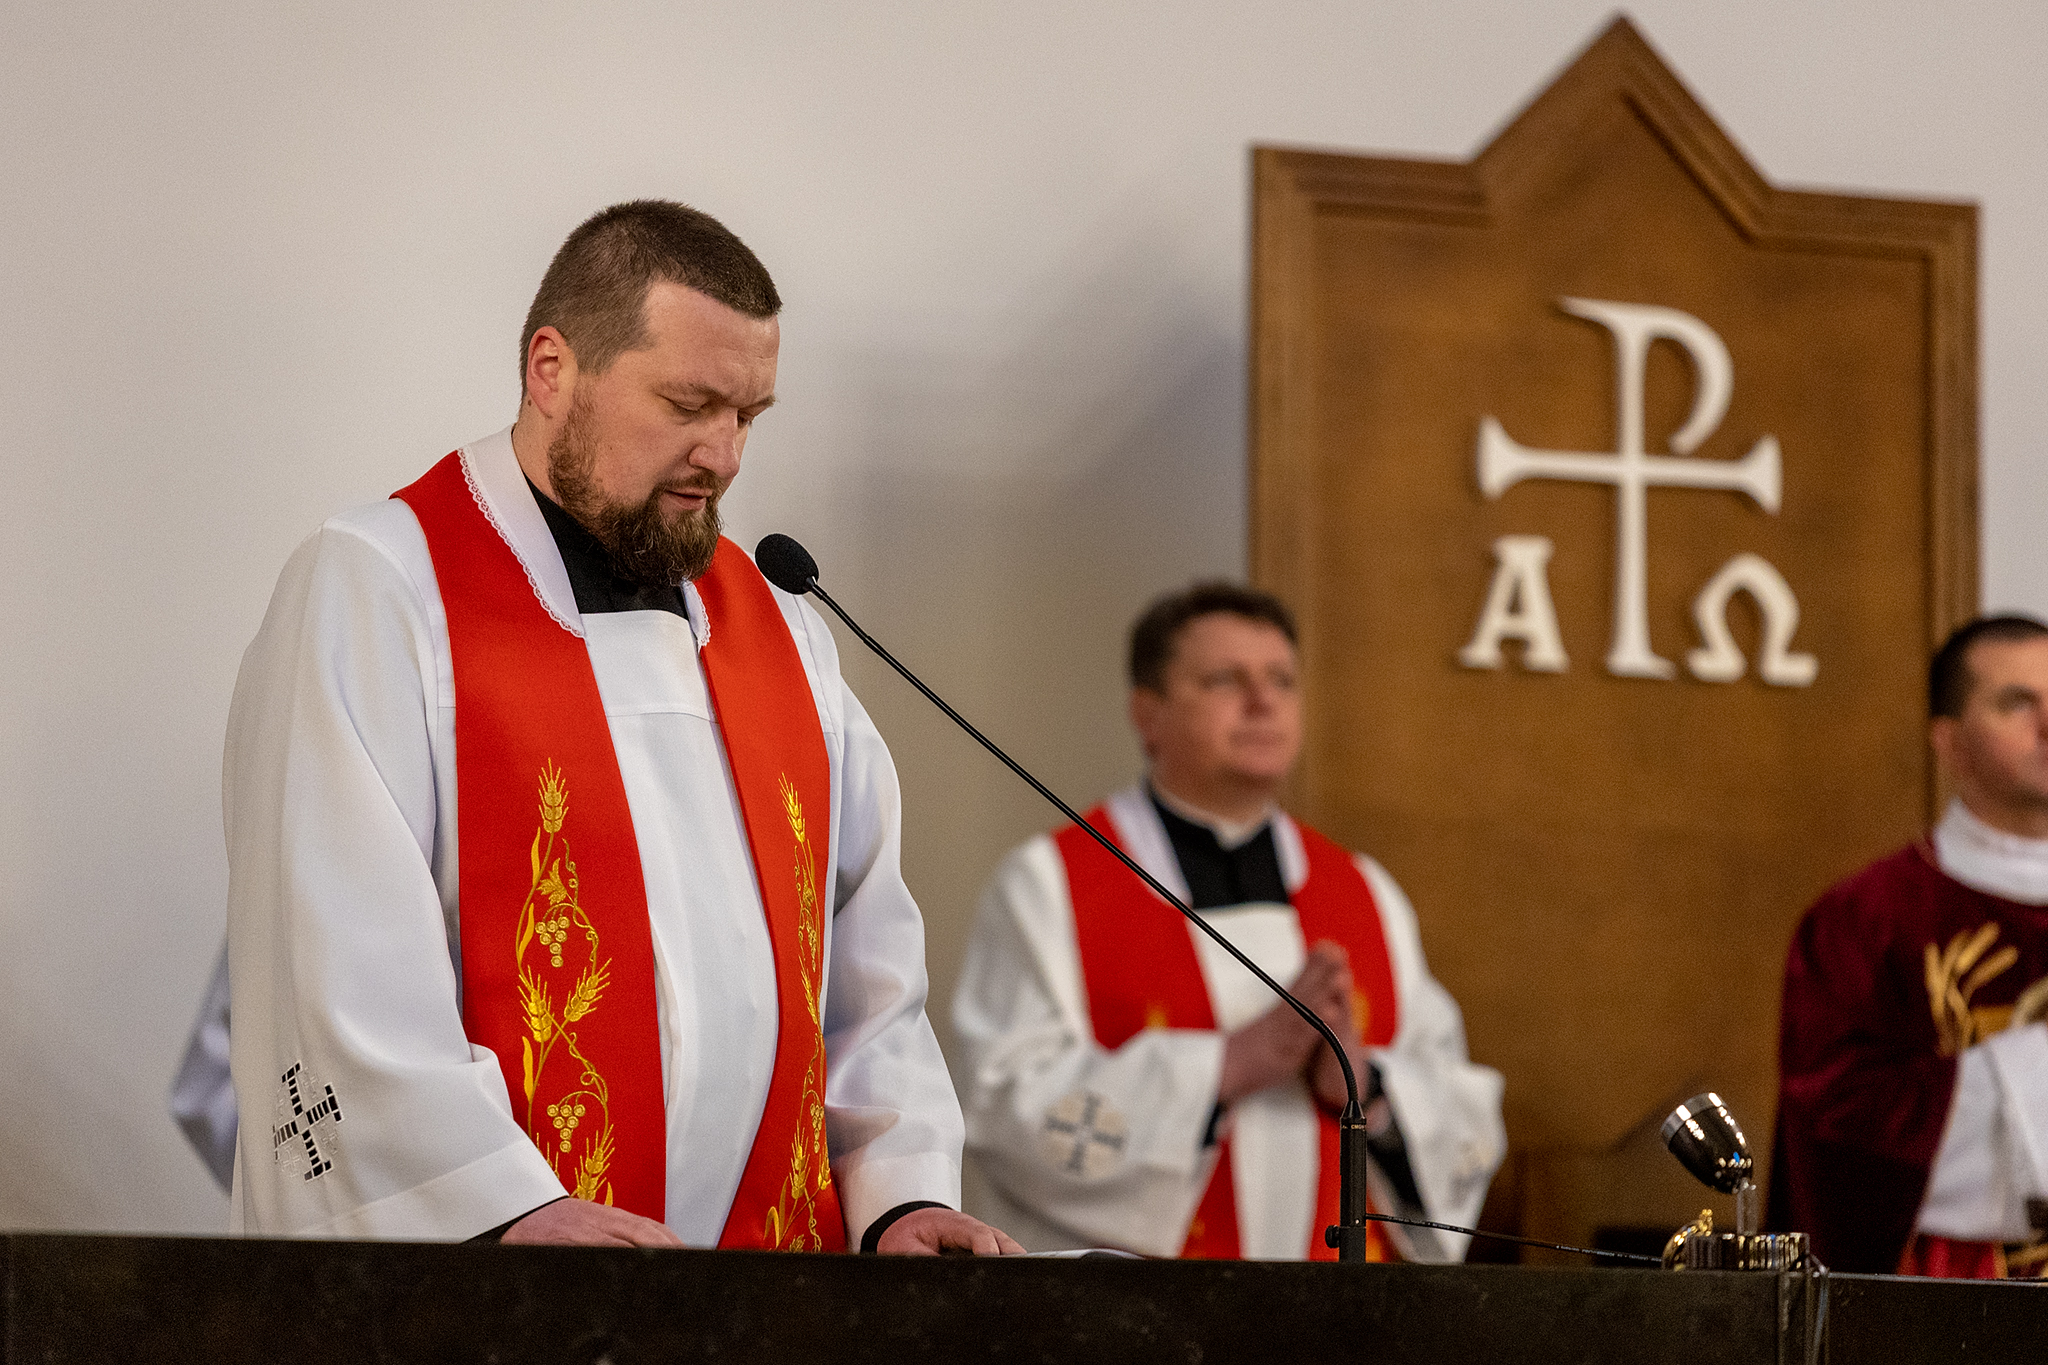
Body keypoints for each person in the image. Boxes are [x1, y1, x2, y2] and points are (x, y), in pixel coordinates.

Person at [224, 200, 1019, 1256]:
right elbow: (335, 962)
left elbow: (869, 972)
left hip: (768, 1293)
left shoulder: (783, 629)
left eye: (749, 415)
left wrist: (900, 1197)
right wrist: (497, 1204)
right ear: (552, 371)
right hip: (501, 1284)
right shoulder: (382, 589)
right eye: (689, 404)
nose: (724, 455)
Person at [951, 583, 1506, 1259]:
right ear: (1148, 713)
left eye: (1282, 680)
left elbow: (1460, 1111)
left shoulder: (1365, 891)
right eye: (1225, 679)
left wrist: (1367, 1088)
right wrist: (1229, 1065)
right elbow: (1002, 1104)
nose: (1263, 701)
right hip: (1133, 1311)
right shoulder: (1052, 884)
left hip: (1339, 1307)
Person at [1771, 614, 2048, 1278]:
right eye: (2017, 703)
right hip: (1948, 1295)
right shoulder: (1867, 919)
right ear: (1948, 741)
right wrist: (2033, 1071)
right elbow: (1836, 1128)